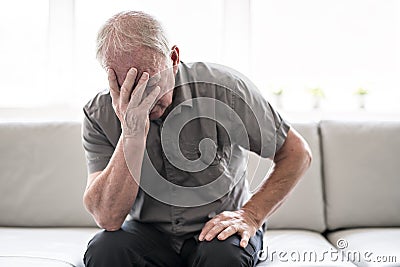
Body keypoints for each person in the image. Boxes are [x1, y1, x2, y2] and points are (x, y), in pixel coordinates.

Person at [82, 10, 311, 267]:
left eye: (150, 82)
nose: (142, 99)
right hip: (150, 232)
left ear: (174, 58)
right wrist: (132, 134)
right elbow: (108, 218)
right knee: (104, 250)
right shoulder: (98, 114)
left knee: (222, 257)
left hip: (220, 230)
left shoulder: (224, 90)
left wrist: (250, 215)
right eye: (129, 86)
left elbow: (297, 153)